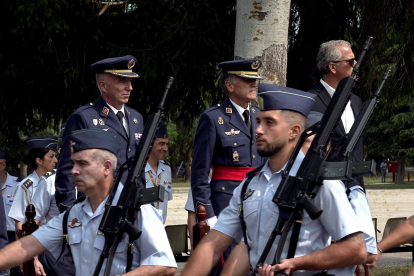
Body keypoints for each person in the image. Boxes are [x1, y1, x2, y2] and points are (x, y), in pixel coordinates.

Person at [182, 84, 367, 276]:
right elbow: (213, 246)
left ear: (294, 132)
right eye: (258, 121)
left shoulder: (320, 183)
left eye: (269, 123)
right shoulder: (250, 184)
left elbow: (356, 249)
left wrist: (295, 264)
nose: (258, 130)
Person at [0, 129, 177, 276]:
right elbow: (29, 244)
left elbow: (165, 264)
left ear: (107, 167)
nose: (74, 171)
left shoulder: (138, 210)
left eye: (82, 164)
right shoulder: (73, 214)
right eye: (73, 163)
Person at [55, 55, 144, 213]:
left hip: (131, 208)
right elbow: (67, 171)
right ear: (103, 86)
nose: (129, 87)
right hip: (96, 209)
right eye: (121, 81)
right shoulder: (84, 117)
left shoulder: (136, 119)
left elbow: (139, 167)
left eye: (130, 82)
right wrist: (69, 216)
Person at [308, 40, 365, 190]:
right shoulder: (309, 101)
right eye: (350, 61)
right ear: (332, 67)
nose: (355, 65)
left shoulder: (356, 101)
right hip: (323, 188)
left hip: (356, 186)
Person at [9, 136, 58, 232]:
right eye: (51, 156)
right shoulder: (26, 187)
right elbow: (19, 222)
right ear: (39, 161)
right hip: (35, 241)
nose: (56, 160)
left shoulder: (56, 180)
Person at [145, 123, 172, 223]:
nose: (165, 148)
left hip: (160, 227)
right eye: (161, 144)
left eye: (167, 144)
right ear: (150, 143)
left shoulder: (167, 169)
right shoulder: (139, 170)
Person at [0, 149, 22, 276]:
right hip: (0, 236)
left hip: (14, 235)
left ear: (3, 165)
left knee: (16, 271)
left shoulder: (17, 184)